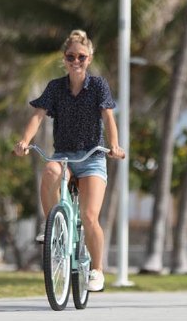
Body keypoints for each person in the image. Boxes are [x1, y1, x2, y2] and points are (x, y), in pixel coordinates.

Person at [12, 29, 125, 292]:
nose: (76, 61)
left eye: (81, 57)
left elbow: (108, 118)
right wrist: (25, 142)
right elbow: (38, 116)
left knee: (89, 216)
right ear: (64, 58)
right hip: (64, 155)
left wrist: (115, 146)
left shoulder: (98, 86)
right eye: (71, 56)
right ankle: (51, 223)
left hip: (92, 156)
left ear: (90, 58)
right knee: (50, 171)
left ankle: (97, 270)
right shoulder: (55, 88)